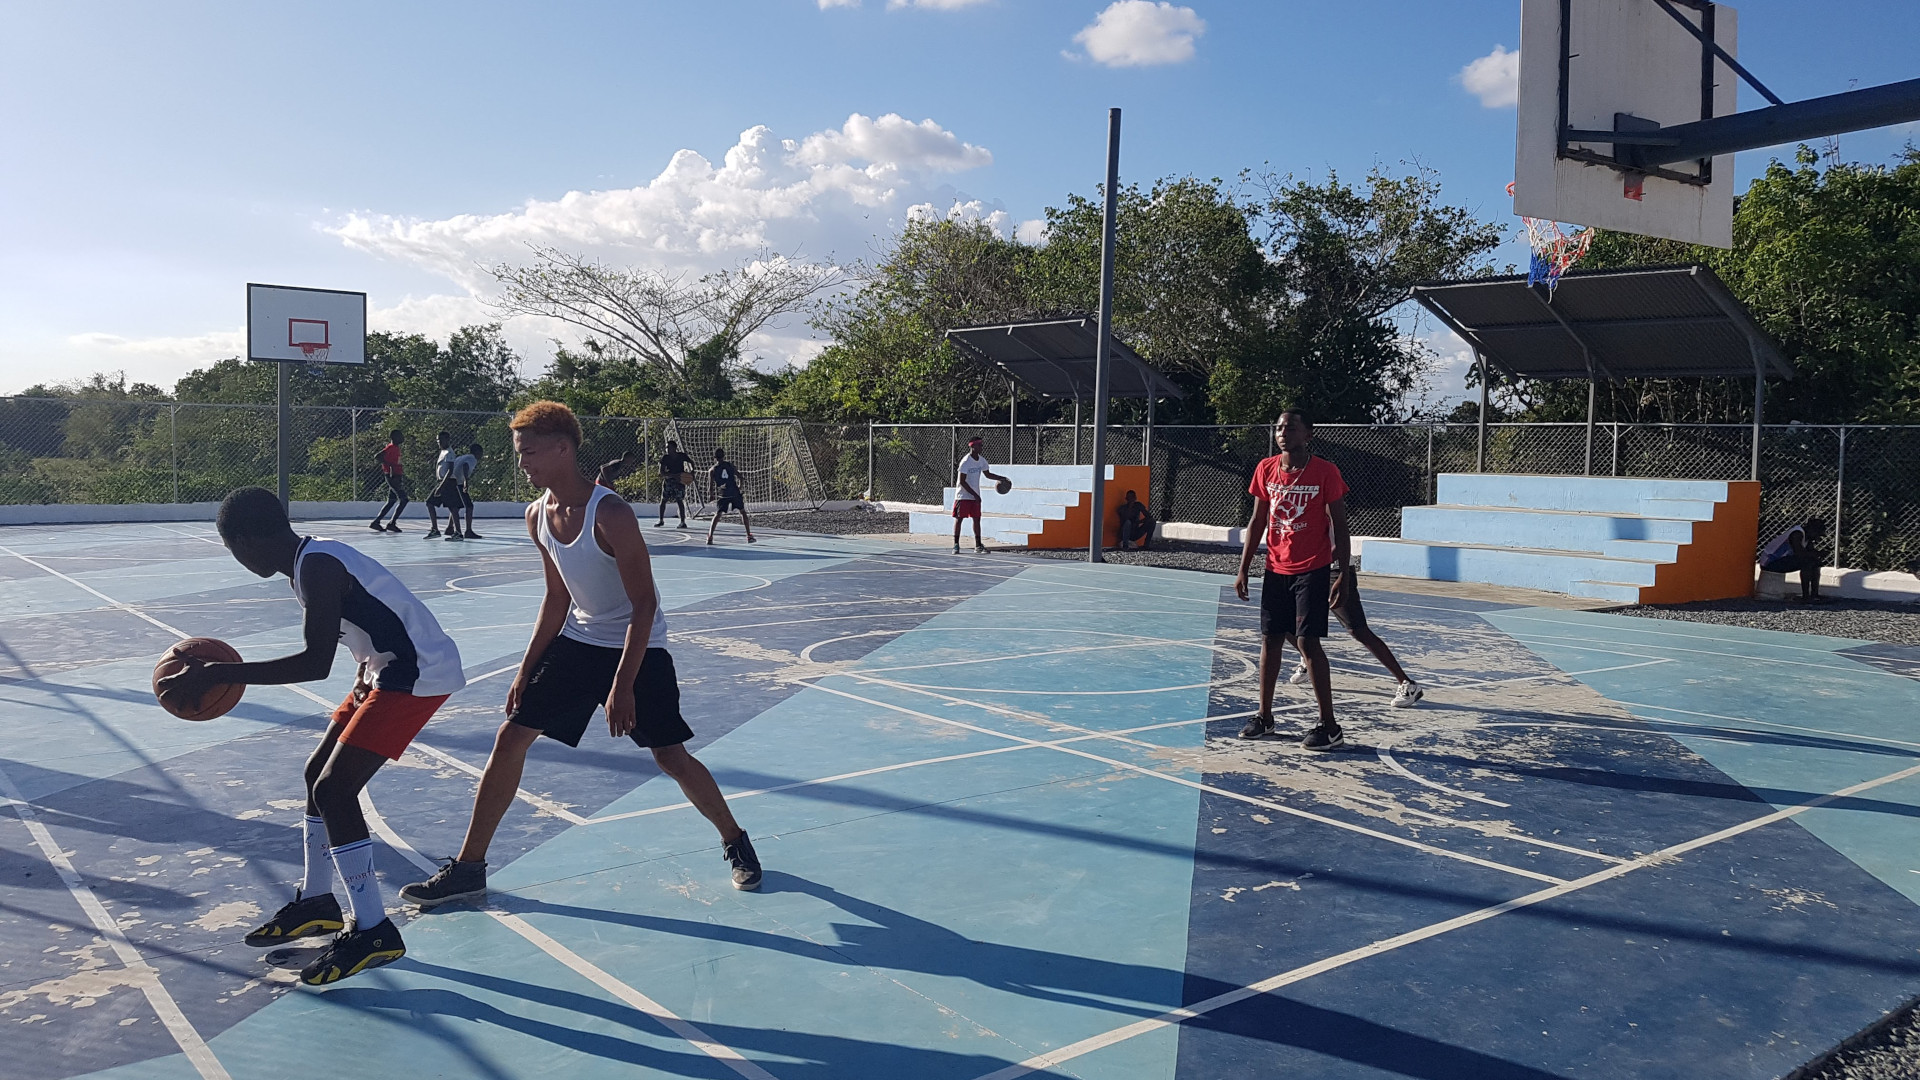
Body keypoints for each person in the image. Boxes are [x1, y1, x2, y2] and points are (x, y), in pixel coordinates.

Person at [399, 401, 762, 909]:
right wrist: (526, 671)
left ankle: (734, 839)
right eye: (518, 453)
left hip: (638, 645)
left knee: (670, 756)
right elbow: (557, 598)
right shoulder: (537, 516)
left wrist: (621, 685)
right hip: (580, 641)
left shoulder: (610, 512)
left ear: (562, 448)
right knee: (510, 738)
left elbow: (645, 605)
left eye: (528, 453)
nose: (521, 463)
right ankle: (469, 868)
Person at [158, 487, 466, 985]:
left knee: (334, 789)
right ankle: (319, 901)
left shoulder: (318, 567)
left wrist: (219, 673)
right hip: (381, 669)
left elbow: (313, 664)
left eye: (231, 548)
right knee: (314, 778)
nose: (236, 559)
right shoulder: (308, 562)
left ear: (246, 541)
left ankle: (374, 930)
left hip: (416, 673)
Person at [1233, 410, 1350, 751]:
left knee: (1308, 643)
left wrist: (1342, 572)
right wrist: (1244, 568)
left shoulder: (1325, 472)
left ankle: (1329, 725)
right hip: (1275, 568)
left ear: (1308, 435)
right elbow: (1258, 520)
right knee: (1270, 639)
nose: (1283, 432)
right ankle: (1264, 716)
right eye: (1280, 427)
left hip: (1312, 568)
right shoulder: (1266, 468)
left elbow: (1340, 526)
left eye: (1291, 427)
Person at [1286, 570, 1425, 707]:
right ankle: (1307, 661)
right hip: (1307, 571)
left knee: (1358, 630)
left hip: (1334, 571)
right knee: (1285, 623)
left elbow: (1341, 547)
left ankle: (1408, 685)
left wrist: (1343, 576)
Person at [951, 437, 1010, 555]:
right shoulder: (965, 462)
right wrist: (974, 494)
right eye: (979, 445)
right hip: (963, 495)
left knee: (977, 519)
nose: (981, 447)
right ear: (973, 447)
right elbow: (962, 481)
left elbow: (987, 474)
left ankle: (978, 545)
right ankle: (956, 545)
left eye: (981, 445)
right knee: (959, 519)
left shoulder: (982, 461)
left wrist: (1001, 478)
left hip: (974, 496)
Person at [1759, 518, 1828, 603]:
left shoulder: (1807, 538)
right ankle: (1805, 596)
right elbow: (1800, 553)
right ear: (1812, 530)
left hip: (1780, 560)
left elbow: (1810, 552)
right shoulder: (1797, 534)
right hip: (1770, 562)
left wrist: (1818, 554)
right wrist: (1816, 555)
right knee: (1807, 563)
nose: (1817, 538)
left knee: (1815, 563)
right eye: (1817, 534)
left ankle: (1814, 595)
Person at [706, 447, 755, 545]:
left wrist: (711, 495)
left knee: (718, 514)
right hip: (734, 492)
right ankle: (749, 535)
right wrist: (740, 487)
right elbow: (740, 477)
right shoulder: (730, 465)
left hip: (723, 494)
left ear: (714, 457)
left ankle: (710, 536)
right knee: (742, 512)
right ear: (724, 456)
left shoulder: (712, 470)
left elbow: (710, 486)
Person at [369, 430, 408, 533]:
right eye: (400, 436)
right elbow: (378, 456)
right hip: (392, 476)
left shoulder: (396, 448)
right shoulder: (390, 447)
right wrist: (389, 465)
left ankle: (376, 522)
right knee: (404, 499)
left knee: (391, 500)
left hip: (397, 476)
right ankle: (392, 523)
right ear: (394, 437)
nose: (402, 438)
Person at [424, 431, 460, 539]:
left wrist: (441, 486)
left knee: (452, 508)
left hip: (447, 482)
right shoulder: (442, 452)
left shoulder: (449, 453)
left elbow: (449, 470)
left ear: (448, 440)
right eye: (438, 440)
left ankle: (458, 532)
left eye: (441, 440)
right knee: (430, 503)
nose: (439, 442)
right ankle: (435, 529)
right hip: (442, 481)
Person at [658, 439, 693, 529]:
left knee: (680, 501)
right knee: (663, 500)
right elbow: (662, 472)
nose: (667, 449)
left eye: (668, 447)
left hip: (679, 482)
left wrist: (692, 472)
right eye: (666, 447)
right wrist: (673, 475)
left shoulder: (681, 456)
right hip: (669, 481)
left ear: (674, 448)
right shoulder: (665, 458)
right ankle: (661, 520)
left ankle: (682, 522)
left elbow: (691, 462)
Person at [453, 442, 483, 540]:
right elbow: (465, 466)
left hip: (452, 481)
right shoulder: (472, 459)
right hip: (459, 483)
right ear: (477, 452)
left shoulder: (462, 457)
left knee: (456, 506)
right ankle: (468, 531)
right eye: (481, 453)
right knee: (469, 506)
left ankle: (450, 528)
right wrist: (466, 480)